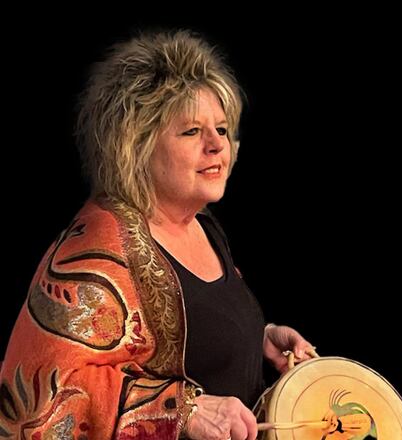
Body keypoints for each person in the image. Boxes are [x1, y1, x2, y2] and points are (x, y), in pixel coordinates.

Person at [0, 30, 313, 440]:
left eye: (221, 129)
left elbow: (192, 331)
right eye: (190, 132)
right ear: (136, 146)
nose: (216, 145)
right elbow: (40, 395)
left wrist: (254, 339)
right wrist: (182, 410)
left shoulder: (201, 225)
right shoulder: (99, 248)